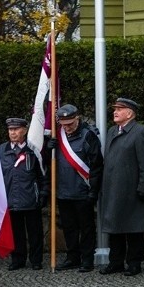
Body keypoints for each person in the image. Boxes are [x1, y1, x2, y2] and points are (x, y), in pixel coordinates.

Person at [100, 97, 144, 277]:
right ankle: (116, 261)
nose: (115, 112)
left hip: (131, 189)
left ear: (129, 113)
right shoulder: (112, 131)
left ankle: (134, 262)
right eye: (115, 109)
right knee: (114, 226)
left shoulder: (139, 132)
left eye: (119, 109)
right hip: (113, 188)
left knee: (133, 227)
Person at [47, 104, 103, 272]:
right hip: (63, 191)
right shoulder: (58, 136)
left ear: (77, 118)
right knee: (69, 227)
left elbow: (97, 165)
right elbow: (48, 164)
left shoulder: (88, 136)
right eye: (64, 124)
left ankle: (87, 259)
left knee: (86, 227)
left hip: (82, 191)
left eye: (70, 123)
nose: (67, 127)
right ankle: (73, 257)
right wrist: (47, 150)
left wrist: (93, 190)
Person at [0, 117, 46, 270]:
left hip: (30, 198)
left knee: (35, 233)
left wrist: (43, 193)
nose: (12, 132)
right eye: (10, 129)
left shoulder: (33, 150)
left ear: (24, 131)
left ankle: (36, 260)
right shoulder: (2, 150)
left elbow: (42, 175)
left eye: (16, 129)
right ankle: (18, 259)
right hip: (10, 199)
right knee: (16, 233)